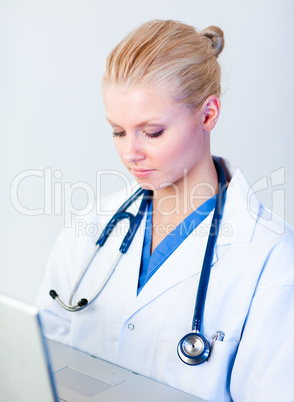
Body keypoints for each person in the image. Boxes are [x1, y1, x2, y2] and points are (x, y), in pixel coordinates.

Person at [37, 20, 294, 401]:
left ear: (208, 115)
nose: (130, 153)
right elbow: (40, 370)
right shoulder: (90, 229)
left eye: (152, 132)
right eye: (118, 131)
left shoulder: (271, 258)